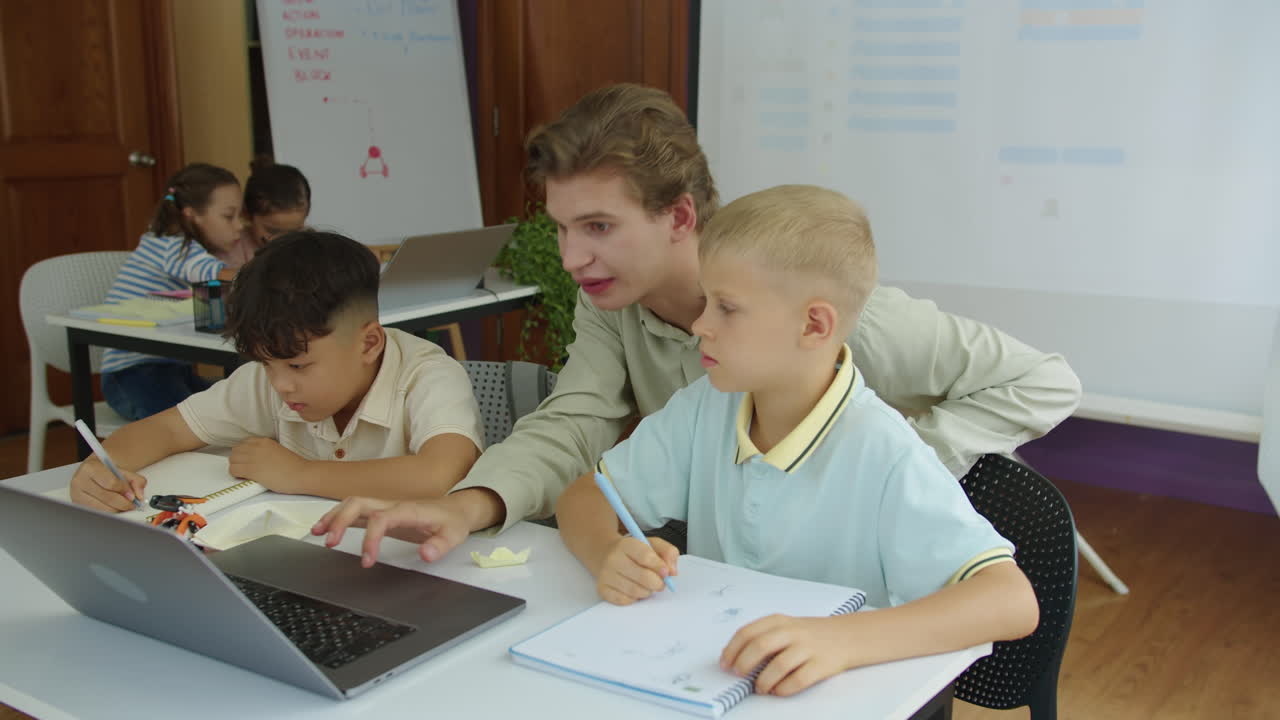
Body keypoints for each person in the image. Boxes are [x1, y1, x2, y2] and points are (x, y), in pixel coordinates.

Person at [314, 83, 1081, 567]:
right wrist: (467, 503)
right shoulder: (613, 299)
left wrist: (905, 460)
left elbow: (1045, 381)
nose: (574, 257)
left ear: (679, 216)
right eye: (561, 229)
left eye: (599, 227)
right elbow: (574, 423)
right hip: (720, 567)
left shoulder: (837, 318)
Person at [556, 184, 1039, 697]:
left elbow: (1011, 602)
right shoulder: (706, 406)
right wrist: (607, 552)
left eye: (727, 308)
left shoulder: (882, 449)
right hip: (714, 680)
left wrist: (840, 640)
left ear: (813, 325)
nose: (700, 326)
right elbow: (585, 495)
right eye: (706, 301)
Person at [71, 230, 484, 513]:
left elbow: (441, 472)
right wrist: (100, 469)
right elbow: (167, 429)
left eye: (299, 365)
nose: (281, 384)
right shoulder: (271, 377)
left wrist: (301, 474)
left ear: (368, 343)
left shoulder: (427, 375)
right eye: (266, 364)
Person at [100, 162, 243, 421]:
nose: (239, 226)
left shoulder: (183, 250)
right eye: (228, 216)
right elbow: (205, 270)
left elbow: (211, 319)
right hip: (132, 373)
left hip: (175, 369)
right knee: (196, 423)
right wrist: (261, 275)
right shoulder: (168, 244)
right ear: (191, 215)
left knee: (233, 411)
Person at [220, 160, 312, 267]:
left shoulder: (311, 245)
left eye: (295, 231)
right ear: (246, 214)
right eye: (272, 231)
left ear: (307, 212)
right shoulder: (231, 248)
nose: (284, 240)